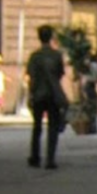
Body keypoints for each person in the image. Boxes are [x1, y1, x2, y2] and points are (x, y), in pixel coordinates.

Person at [25, 24, 67, 169]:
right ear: (51, 37)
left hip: (38, 95)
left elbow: (31, 77)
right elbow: (60, 74)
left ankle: (35, 157)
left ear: (39, 37)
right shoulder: (57, 56)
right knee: (53, 128)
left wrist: (31, 94)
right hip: (53, 95)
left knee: (37, 127)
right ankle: (50, 159)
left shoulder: (35, 57)